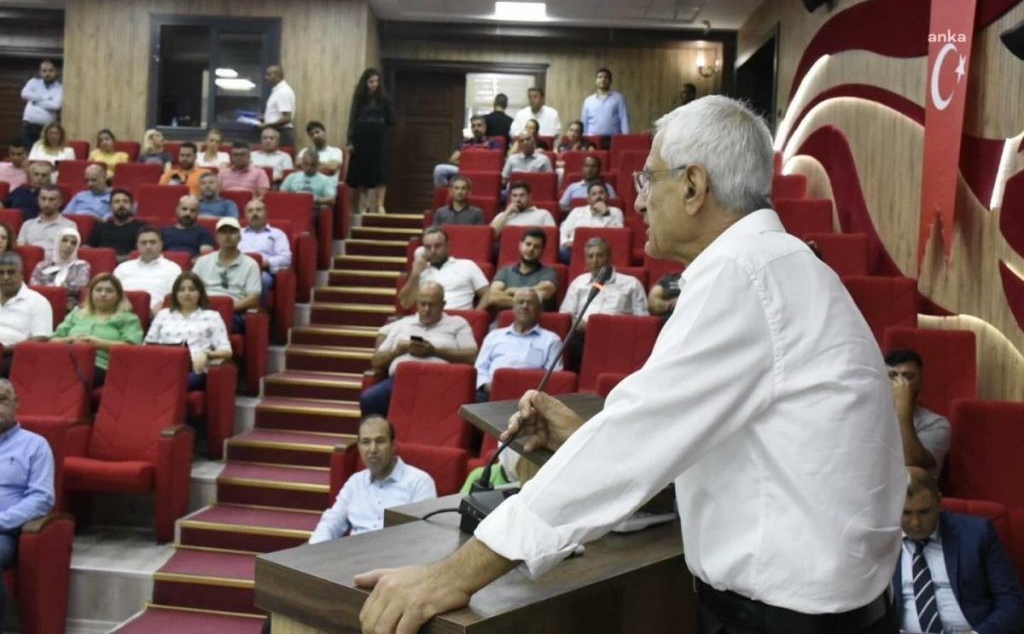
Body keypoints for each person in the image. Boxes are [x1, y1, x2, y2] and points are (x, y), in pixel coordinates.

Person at [355, 96, 906, 634]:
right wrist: (583, 437)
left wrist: (451, 577)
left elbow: (630, 447)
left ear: (692, 186)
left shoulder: (743, 275)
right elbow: (738, 450)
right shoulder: (787, 267)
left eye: (649, 179)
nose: (638, 201)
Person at [895, 467, 1024, 633]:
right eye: (906, 513)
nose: (915, 523)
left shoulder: (977, 534)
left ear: (938, 502)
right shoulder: (879, 542)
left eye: (924, 512)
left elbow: (1012, 601)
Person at [309, 415, 436, 541]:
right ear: (359, 447)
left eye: (380, 441)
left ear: (393, 446)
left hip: (399, 556)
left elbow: (424, 536)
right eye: (366, 442)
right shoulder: (354, 483)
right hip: (354, 556)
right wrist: (314, 552)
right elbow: (331, 522)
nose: (373, 449)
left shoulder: (420, 482)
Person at [361, 282, 477, 415]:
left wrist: (434, 351)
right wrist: (398, 351)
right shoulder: (402, 324)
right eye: (422, 304)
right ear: (417, 303)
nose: (426, 309)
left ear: (443, 305)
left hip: (442, 382)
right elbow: (376, 361)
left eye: (432, 305)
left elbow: (472, 357)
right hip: (401, 380)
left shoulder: (458, 323)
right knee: (369, 399)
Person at [0, 378, 56, 628]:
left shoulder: (35, 445)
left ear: (16, 403)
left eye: (2, 400)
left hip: (6, 532)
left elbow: (42, 498)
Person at [559, 236, 646, 369]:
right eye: (590, 256)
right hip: (584, 336)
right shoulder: (578, 283)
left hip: (618, 337)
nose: (595, 261)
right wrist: (577, 322)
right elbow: (564, 314)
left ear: (610, 257)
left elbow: (643, 320)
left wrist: (617, 327)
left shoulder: (631, 283)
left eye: (600, 255)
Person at [50, 273, 143, 386]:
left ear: (118, 296)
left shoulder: (128, 318)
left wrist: (98, 343)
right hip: (67, 360)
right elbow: (53, 340)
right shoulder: (76, 314)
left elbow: (132, 349)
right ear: (91, 294)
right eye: (98, 290)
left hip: (102, 366)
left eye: (109, 291)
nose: (103, 294)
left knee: (66, 377)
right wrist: (70, 339)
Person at [144, 272, 233, 390]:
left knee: (173, 382)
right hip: (161, 367)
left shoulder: (212, 316)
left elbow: (226, 351)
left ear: (200, 293)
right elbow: (146, 346)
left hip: (192, 371)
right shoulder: (163, 314)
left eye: (192, 289)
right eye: (181, 290)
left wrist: (207, 354)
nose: (187, 293)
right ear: (175, 294)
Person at [474, 288, 562, 401]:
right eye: (520, 302)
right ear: (513, 308)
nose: (524, 306)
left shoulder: (551, 340)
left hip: (531, 399)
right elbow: (480, 368)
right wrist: (487, 385)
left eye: (530, 303)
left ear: (540, 309)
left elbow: (554, 377)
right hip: (490, 394)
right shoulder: (494, 336)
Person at [885, 349, 951, 480]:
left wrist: (902, 407)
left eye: (908, 376)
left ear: (920, 382)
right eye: (892, 376)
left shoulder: (936, 424)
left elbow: (911, 462)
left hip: (910, 496)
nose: (900, 384)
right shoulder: (868, 414)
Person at [192, 217, 261, 332]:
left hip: (233, 313)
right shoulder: (203, 261)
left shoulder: (251, 264)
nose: (228, 236)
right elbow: (191, 288)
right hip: (203, 309)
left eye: (232, 232)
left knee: (213, 324)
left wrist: (225, 308)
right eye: (223, 232)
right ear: (216, 237)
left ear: (239, 237)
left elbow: (253, 298)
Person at [397, 226, 488, 311]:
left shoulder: (467, 265)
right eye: (428, 247)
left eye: (438, 246)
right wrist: (415, 275)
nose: (432, 251)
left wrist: (475, 313)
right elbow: (405, 304)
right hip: (428, 322)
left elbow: (487, 294)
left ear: (447, 246)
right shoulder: (419, 271)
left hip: (458, 320)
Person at [346, 68, 394, 214]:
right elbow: (352, 120)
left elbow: (392, 119)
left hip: (379, 139)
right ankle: (364, 204)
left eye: (377, 81)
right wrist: (350, 140)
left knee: (381, 172)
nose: (374, 84)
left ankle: (380, 205)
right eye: (371, 81)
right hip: (361, 138)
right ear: (365, 83)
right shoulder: (359, 100)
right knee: (362, 172)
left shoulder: (385, 99)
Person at [0, 252, 53, 377]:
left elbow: (41, 339)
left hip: (16, 355)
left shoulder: (38, 302)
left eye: (11, 272)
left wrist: (5, 349)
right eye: (1, 273)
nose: (6, 277)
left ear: (22, 274)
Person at [480, 227, 558, 312]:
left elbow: (545, 291)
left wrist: (511, 291)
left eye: (536, 247)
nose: (531, 249)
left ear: (542, 250)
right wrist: (528, 302)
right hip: (504, 322)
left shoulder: (549, 272)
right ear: (520, 245)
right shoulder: (505, 271)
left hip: (536, 322)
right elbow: (493, 296)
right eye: (528, 244)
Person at [113, 226, 182, 315]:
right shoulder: (123, 268)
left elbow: (174, 296)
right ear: (137, 246)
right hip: (121, 311)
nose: (148, 246)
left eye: (152, 242)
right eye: (143, 243)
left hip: (156, 313)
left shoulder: (173, 268)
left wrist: (157, 310)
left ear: (161, 245)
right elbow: (113, 292)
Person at [558, 182, 624, 262]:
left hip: (601, 250)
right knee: (562, 252)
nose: (598, 196)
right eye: (594, 194)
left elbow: (619, 235)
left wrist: (606, 214)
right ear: (588, 199)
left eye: (601, 193)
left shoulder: (615, 212)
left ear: (608, 196)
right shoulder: (577, 211)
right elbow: (563, 231)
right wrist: (565, 242)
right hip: (575, 249)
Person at [29, 227, 90, 310]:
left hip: (68, 307)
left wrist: (52, 290)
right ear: (58, 242)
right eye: (65, 240)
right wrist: (57, 290)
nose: (68, 245)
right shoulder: (42, 265)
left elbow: (80, 286)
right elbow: (33, 286)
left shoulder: (82, 266)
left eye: (73, 243)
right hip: (40, 304)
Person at [238, 198, 292, 293]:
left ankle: (256, 308)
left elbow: (286, 258)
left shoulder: (277, 234)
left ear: (266, 213)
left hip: (263, 271)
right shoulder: (238, 233)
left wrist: (264, 263)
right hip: (238, 270)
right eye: (250, 211)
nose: (254, 213)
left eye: (258, 210)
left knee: (261, 280)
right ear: (246, 215)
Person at [432, 115, 501, 187]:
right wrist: (467, 164)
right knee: (439, 170)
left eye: (479, 125)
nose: (476, 128)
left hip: (484, 171)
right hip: (466, 169)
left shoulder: (493, 143)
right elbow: (452, 159)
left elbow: (496, 162)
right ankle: (448, 193)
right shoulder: (466, 143)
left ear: (485, 127)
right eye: (473, 126)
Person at [16, 184, 76, 260]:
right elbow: (21, 250)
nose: (46, 203)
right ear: (38, 200)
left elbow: (68, 253)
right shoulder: (27, 224)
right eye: (43, 199)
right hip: (30, 264)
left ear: (60, 202)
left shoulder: (69, 226)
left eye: (52, 200)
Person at [88, 188, 145, 261]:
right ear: (110, 206)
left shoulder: (142, 228)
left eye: (125, 201)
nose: (121, 205)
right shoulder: (100, 228)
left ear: (131, 206)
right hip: (102, 265)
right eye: (117, 202)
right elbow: (87, 248)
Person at [489, 180, 555, 238]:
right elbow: (490, 236)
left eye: (522, 195)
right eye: (514, 196)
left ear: (530, 197)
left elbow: (552, 238)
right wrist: (507, 213)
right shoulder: (503, 216)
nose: (518, 199)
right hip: (507, 249)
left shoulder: (543, 214)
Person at [20, 60, 62, 145]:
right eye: (44, 71)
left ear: (55, 72)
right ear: (40, 72)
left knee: (42, 153)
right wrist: (46, 98)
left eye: (51, 70)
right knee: (26, 152)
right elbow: (24, 94)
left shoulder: (59, 87)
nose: (47, 74)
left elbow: (56, 105)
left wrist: (35, 101)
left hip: (46, 129)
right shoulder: (33, 82)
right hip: (28, 126)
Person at [581, 67, 630, 137]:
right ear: (596, 80)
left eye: (606, 77)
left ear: (610, 80)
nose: (603, 79)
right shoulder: (588, 100)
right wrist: (583, 138)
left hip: (613, 138)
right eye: (600, 77)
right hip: (592, 138)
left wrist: (626, 138)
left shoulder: (618, 98)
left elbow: (624, 120)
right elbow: (584, 122)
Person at [298, 121, 344, 186]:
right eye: (312, 135)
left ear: (324, 132)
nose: (315, 136)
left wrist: (309, 163)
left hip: (327, 186)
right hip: (307, 184)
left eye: (317, 132)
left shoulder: (336, 151)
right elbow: (298, 163)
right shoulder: (305, 150)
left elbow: (333, 167)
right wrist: (324, 165)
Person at [261, 65, 296, 146]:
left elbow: (287, 118)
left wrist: (267, 125)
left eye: (269, 74)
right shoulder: (277, 91)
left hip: (281, 133)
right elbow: (279, 114)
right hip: (277, 132)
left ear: (278, 76)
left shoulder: (283, 91)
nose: (266, 77)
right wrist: (266, 118)